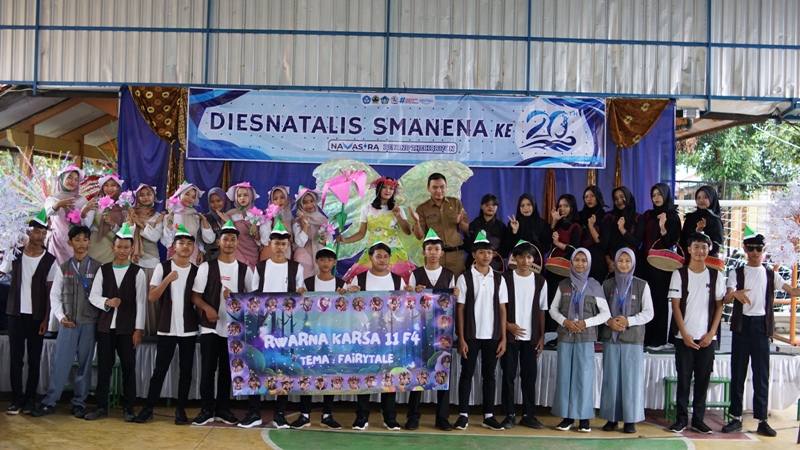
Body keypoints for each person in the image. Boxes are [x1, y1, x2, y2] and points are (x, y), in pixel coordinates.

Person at [721, 226, 798, 437]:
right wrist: (735, 294)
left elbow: (792, 291)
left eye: (758, 248)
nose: (755, 252)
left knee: (761, 375)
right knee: (738, 372)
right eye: (751, 248)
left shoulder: (771, 274)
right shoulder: (736, 272)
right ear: (745, 249)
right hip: (742, 326)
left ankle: (762, 420)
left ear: (764, 250)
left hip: (762, 327)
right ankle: (735, 417)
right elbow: (726, 298)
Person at [30, 226, 100, 418]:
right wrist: (61, 316)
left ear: (89, 242)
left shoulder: (98, 268)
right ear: (70, 243)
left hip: (89, 323)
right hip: (68, 323)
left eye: (85, 240)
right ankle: (50, 401)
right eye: (77, 239)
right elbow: (55, 296)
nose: (81, 243)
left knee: (85, 365)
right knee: (60, 363)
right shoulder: (63, 268)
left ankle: (79, 403)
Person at [241, 219, 304, 429]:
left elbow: (300, 296)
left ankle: (280, 414)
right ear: (269, 244)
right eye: (276, 243)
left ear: (288, 245)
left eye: (283, 243)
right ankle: (254, 412)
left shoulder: (296, 268)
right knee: (257, 366)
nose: (280, 247)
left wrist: (300, 295)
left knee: (283, 366)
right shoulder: (260, 267)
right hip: (262, 326)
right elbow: (253, 296)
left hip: (286, 326)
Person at [134, 224, 199, 425]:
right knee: (159, 370)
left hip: (189, 329)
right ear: (174, 246)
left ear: (193, 248)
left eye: (189, 244)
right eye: (181, 243)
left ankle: (181, 410)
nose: (185, 247)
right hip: (166, 327)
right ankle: (148, 408)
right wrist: (167, 280)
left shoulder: (197, 271)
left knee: (186, 372)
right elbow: (152, 297)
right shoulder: (162, 268)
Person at [190, 219, 252, 426]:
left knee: (227, 371)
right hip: (210, 328)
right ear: (218, 242)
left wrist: (236, 299)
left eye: (233, 239)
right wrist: (208, 308)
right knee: (208, 370)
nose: (229, 243)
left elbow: (252, 300)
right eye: (226, 239)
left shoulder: (245, 270)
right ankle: (206, 409)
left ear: (238, 243)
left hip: (234, 329)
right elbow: (195, 296)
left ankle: (223, 409)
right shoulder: (206, 267)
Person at [86, 223, 148, 421]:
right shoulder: (103, 270)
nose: (122, 250)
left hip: (127, 328)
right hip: (105, 328)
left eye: (126, 247)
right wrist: (107, 302)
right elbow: (93, 295)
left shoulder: (137, 272)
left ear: (132, 249)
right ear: (113, 247)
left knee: (128, 367)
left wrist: (138, 329)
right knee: (104, 367)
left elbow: (141, 302)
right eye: (119, 247)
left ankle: (128, 408)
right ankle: (101, 407)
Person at [667, 232, 725, 434]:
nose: (700, 251)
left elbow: (719, 307)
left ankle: (698, 420)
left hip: (707, 339)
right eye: (696, 247)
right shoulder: (679, 274)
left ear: (709, 249)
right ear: (689, 249)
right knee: (683, 379)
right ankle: (681, 419)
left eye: (704, 247)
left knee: (703, 380)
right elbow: (675, 307)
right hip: (684, 338)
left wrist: (711, 334)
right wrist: (684, 334)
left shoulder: (716, 275)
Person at [2, 210, 57, 415]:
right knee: (16, 358)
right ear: (28, 232)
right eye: (36, 231)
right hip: (15, 313)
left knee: (34, 359)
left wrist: (46, 318)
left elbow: (50, 292)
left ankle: (30, 399)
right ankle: (16, 399)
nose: (40, 236)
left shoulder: (50, 260)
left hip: (36, 316)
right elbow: (2, 271)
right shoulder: (15, 255)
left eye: (43, 232)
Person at [549, 248, 610, 432]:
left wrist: (586, 323)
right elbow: (553, 309)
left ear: (589, 263)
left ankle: (584, 419)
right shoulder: (563, 285)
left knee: (584, 377)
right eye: (577, 260)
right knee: (565, 377)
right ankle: (567, 417)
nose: (580, 264)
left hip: (586, 338)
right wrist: (565, 321)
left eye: (584, 260)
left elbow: (606, 314)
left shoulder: (595, 286)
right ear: (571, 262)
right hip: (566, 336)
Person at [404, 228, 459, 431]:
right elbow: (408, 303)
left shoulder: (449, 275)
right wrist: (413, 293)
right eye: (429, 249)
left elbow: (452, 303)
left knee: (442, 369)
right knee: (418, 370)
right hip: (420, 330)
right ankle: (413, 416)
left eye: (437, 249)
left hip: (443, 332)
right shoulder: (415, 274)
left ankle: (442, 417)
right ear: (424, 252)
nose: (433, 252)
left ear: (442, 253)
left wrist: (455, 295)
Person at [346, 240, 403, 431]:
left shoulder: (398, 281)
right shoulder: (359, 280)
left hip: (390, 337)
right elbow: (351, 308)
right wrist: (349, 294)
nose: (382, 260)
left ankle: (390, 417)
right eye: (378, 256)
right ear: (371, 257)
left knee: (389, 376)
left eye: (386, 256)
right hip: (366, 337)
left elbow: (405, 308)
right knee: (365, 374)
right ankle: (362, 416)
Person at [454, 230, 508, 431]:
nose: (486, 256)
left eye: (489, 252)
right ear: (474, 255)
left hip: (492, 335)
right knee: (466, 374)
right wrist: (461, 338)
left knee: (490, 375)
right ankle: (463, 415)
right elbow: (460, 309)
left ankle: (489, 415)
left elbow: (502, 309)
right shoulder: (465, 278)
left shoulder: (499, 279)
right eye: (482, 252)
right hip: (471, 335)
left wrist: (503, 338)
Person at [291, 243, 347, 430]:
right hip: (310, 336)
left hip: (332, 336)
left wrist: (347, 295)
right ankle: (304, 414)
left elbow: (347, 309)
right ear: (316, 261)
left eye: (329, 260)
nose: (326, 263)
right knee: (307, 372)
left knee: (330, 373)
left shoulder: (341, 284)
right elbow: (299, 309)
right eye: (322, 259)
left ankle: (327, 415)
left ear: (335, 262)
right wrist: (299, 296)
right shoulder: (307, 283)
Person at [599, 248, 653, 434]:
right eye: (620, 260)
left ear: (633, 263)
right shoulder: (607, 284)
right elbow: (600, 310)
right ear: (614, 263)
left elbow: (649, 313)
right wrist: (609, 321)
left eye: (627, 261)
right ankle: (611, 418)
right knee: (611, 379)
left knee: (631, 381)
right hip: (611, 339)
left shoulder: (642, 285)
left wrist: (629, 321)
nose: (623, 264)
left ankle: (630, 420)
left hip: (632, 339)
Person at [499, 240, 548, 430]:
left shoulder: (540, 281)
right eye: (521, 257)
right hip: (510, 337)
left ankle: (529, 415)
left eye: (529, 257)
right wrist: (507, 326)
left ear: (533, 259)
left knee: (529, 377)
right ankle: (509, 414)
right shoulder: (505, 279)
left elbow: (542, 310)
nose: (525, 261)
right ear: (515, 258)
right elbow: (499, 307)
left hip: (531, 338)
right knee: (508, 376)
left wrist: (541, 336)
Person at [339, 177, 415, 282]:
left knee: (400, 284)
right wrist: (345, 240)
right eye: (384, 187)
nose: (388, 191)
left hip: (393, 252)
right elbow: (361, 233)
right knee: (361, 282)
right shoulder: (367, 209)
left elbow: (408, 231)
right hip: (373, 252)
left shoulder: (398, 209)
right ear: (378, 189)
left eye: (391, 188)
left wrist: (398, 216)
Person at [636, 183, 681, 347]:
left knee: (659, 300)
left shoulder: (673, 216)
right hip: (645, 262)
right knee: (645, 299)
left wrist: (663, 228)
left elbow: (671, 242)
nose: (656, 198)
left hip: (662, 265)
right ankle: (644, 337)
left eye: (659, 194)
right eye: (654, 195)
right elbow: (640, 237)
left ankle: (658, 339)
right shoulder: (648, 215)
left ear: (666, 195)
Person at [411, 173, 470, 277]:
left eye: (442, 187)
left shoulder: (455, 203)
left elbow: (466, 230)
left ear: (446, 187)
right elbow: (419, 236)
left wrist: (461, 222)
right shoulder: (422, 208)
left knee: (456, 285)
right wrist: (416, 222)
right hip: (434, 257)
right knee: (434, 286)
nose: (439, 191)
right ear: (428, 188)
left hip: (456, 256)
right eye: (435, 187)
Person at [127, 183, 166, 335]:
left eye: (148, 194)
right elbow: (127, 235)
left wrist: (139, 223)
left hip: (151, 261)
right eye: (142, 195)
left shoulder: (157, 216)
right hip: (133, 260)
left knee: (150, 298)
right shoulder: (130, 212)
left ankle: (150, 331)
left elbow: (154, 236)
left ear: (153, 197)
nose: (145, 198)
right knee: (135, 296)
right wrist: (132, 222)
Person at [44, 164, 97, 265]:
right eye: (69, 177)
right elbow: (49, 211)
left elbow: (87, 225)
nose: (73, 181)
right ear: (62, 179)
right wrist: (58, 204)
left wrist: (83, 213)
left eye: (76, 179)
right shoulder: (52, 199)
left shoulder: (82, 200)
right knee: (56, 271)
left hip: (76, 244)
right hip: (58, 243)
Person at [546, 194, 582, 335]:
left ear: (572, 207)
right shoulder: (558, 224)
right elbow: (547, 244)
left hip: (565, 271)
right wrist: (554, 223)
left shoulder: (575, 226)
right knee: (551, 301)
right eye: (560, 206)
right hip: (552, 269)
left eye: (566, 206)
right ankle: (549, 334)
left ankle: (561, 334)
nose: (562, 209)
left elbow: (575, 249)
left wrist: (558, 243)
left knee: (563, 302)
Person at [163, 181, 216, 265]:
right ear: (180, 194)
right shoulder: (171, 215)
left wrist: (201, 251)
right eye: (187, 194)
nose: (190, 198)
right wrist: (169, 224)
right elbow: (167, 240)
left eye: (193, 197)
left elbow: (201, 238)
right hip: (175, 253)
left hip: (192, 253)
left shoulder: (195, 216)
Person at [599, 186, 641, 274]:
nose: (619, 201)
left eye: (622, 197)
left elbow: (636, 243)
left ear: (628, 197)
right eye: (616, 198)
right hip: (612, 265)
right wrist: (608, 260)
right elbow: (605, 244)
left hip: (632, 265)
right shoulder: (609, 217)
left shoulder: (638, 218)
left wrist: (622, 229)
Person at [292, 186, 332, 277]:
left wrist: (325, 241)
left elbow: (330, 242)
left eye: (311, 201)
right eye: (305, 202)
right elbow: (300, 243)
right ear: (300, 204)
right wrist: (305, 224)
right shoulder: (297, 222)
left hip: (321, 260)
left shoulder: (323, 220)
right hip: (303, 260)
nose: (309, 205)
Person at [88, 172, 126, 263]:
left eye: (113, 185)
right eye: (106, 185)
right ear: (102, 187)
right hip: (94, 245)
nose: (109, 188)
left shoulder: (123, 207)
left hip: (111, 248)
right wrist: (84, 213)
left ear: (118, 187)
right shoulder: (95, 203)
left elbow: (125, 232)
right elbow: (86, 225)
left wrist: (113, 224)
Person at [505, 193, 550, 267]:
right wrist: (514, 231)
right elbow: (508, 247)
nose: (525, 208)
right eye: (522, 206)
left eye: (529, 204)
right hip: (516, 264)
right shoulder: (513, 224)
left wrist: (530, 256)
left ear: (534, 205)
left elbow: (546, 246)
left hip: (535, 263)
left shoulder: (542, 224)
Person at [226, 181, 263, 269]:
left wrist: (255, 235)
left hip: (254, 253)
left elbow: (261, 241)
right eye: (239, 195)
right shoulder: (230, 214)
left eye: (245, 195)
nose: (242, 198)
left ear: (250, 196)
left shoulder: (258, 214)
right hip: (237, 253)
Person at [679, 186, 724, 257]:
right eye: (698, 197)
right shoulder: (690, 218)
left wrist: (701, 233)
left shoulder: (715, 221)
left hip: (708, 260)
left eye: (705, 197)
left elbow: (717, 246)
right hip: (689, 259)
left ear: (712, 198)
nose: (701, 200)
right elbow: (683, 241)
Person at [466, 194, 507, 271]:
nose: (490, 207)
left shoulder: (501, 226)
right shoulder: (474, 224)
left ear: (497, 207)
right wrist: (479, 253)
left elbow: (506, 246)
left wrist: (495, 253)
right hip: (475, 263)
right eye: (487, 204)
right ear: (481, 206)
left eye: (493, 205)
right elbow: (468, 244)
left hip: (496, 264)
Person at [579, 186, 607, 282]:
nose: (589, 199)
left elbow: (602, 244)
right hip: (581, 259)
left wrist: (591, 227)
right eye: (586, 197)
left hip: (597, 260)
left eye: (592, 196)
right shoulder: (580, 215)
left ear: (598, 197)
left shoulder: (605, 217)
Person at [260, 185, 293, 261]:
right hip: (270, 253)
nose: (279, 201)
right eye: (275, 199)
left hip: (286, 253)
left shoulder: (290, 217)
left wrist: (286, 231)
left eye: (282, 197)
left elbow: (293, 241)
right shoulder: (268, 217)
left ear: (286, 199)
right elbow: (264, 240)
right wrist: (277, 229)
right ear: (272, 201)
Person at [203, 187, 230, 262]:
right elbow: (208, 239)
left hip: (228, 256)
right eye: (212, 201)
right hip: (211, 258)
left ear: (224, 200)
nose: (215, 204)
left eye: (218, 201)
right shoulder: (206, 218)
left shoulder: (231, 215)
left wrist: (228, 222)